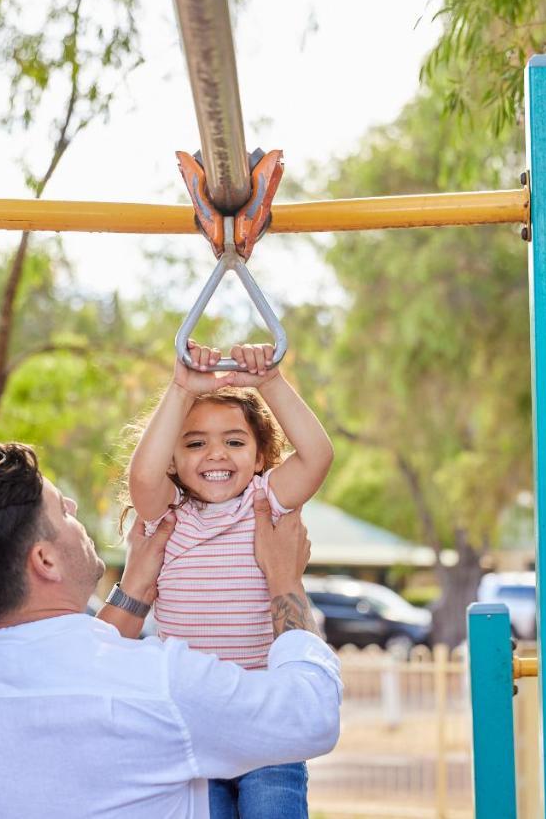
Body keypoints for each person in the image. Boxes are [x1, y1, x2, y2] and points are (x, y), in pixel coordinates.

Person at [0, 442, 341, 818]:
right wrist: (284, 580)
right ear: (45, 561)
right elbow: (312, 712)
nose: (73, 507)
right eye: (61, 509)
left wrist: (135, 590)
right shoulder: (161, 685)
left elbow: (70, 669)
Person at [124, 340, 334, 818]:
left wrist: (270, 383)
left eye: (234, 442)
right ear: (173, 460)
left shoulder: (265, 501)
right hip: (194, 726)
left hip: (267, 723)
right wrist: (181, 389)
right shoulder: (168, 515)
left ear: (260, 457)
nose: (215, 453)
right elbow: (141, 475)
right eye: (195, 442)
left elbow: (318, 455)